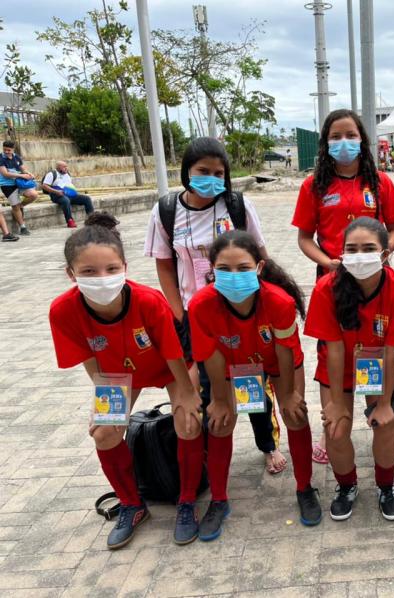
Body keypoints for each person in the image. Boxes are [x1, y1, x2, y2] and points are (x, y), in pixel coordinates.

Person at [49, 212, 205, 548]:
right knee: (103, 432)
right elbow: (90, 361)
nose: (101, 278)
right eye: (88, 272)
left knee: (189, 423)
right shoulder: (62, 311)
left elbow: (174, 354)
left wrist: (189, 394)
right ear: (71, 273)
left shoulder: (148, 302)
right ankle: (133, 505)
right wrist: (105, 405)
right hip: (120, 375)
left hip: (170, 368)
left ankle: (187, 501)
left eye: (111, 269)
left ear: (125, 268)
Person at [144, 137, 287, 474]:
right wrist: (179, 313)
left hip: (242, 311)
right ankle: (211, 447)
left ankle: (267, 444)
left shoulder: (237, 206)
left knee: (253, 382)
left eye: (219, 172)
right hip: (196, 315)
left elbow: (259, 256)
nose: (211, 178)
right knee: (206, 386)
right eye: (203, 171)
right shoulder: (166, 211)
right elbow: (165, 265)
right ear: (186, 171)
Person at [291, 109, 394, 465]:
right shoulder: (314, 185)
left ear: (362, 140)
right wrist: (328, 263)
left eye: (351, 135)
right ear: (326, 143)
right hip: (334, 279)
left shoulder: (380, 182)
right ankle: (333, 424)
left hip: (374, 275)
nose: (344, 143)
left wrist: (381, 255)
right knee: (331, 353)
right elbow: (303, 237)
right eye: (336, 136)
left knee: (385, 346)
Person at [189, 230, 322, 528]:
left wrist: (288, 395)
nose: (234, 276)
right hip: (232, 365)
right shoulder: (200, 305)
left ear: (260, 268)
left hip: (278, 362)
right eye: (224, 269)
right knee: (220, 422)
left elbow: (285, 353)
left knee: (296, 415)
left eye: (243, 268)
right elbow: (211, 357)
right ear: (212, 270)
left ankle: (304, 488)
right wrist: (221, 401)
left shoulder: (279, 302)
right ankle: (219, 499)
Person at [305, 217, 394, 521]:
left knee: (386, 424)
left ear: (384, 254)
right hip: (336, 366)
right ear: (341, 254)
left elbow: (392, 354)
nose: (359, 255)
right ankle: (347, 487)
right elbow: (335, 349)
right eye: (351, 249)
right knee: (336, 429)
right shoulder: (325, 288)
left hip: (379, 365)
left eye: (368, 248)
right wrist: (338, 406)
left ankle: (386, 486)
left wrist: (384, 405)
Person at [41, 161, 95, 228]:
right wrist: (57, 192)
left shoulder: (67, 174)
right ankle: (69, 220)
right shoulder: (51, 174)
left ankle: (92, 219)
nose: (66, 168)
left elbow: (68, 185)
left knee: (86, 199)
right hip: (57, 195)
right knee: (66, 200)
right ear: (58, 167)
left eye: (66, 166)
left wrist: (73, 191)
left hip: (69, 195)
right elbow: (44, 186)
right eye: (64, 167)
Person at [0, 140, 37, 236]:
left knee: (33, 194)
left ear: (13, 149)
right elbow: (5, 174)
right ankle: (23, 227)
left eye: (9, 150)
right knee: (15, 206)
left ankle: (21, 205)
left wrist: (28, 173)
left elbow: (22, 168)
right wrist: (22, 176)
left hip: (19, 183)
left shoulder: (16, 157)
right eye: (5, 150)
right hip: (7, 185)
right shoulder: (1, 158)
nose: (7, 152)